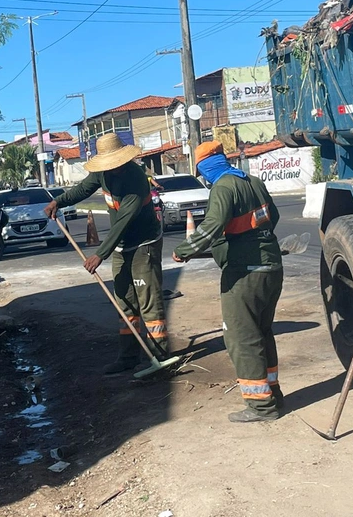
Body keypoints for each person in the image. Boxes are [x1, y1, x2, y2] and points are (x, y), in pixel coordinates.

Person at [172, 141, 283, 423]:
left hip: (244, 272)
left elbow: (211, 227)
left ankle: (261, 406)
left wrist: (183, 251)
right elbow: (274, 216)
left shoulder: (223, 187)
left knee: (241, 337)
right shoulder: (254, 182)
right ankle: (273, 393)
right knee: (261, 331)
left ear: (204, 168)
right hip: (271, 266)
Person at [44, 133, 168, 374]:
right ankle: (128, 356)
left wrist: (100, 254)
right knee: (124, 300)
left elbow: (123, 221)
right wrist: (58, 202)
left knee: (148, 301)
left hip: (144, 243)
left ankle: (159, 356)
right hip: (122, 246)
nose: (113, 168)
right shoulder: (102, 173)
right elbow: (81, 189)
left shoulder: (136, 179)